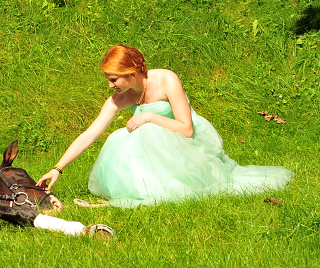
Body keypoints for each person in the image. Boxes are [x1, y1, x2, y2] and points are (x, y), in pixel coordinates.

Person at [37, 44, 293, 208]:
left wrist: (148, 117)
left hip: (187, 142)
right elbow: (90, 133)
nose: (110, 86)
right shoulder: (119, 98)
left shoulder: (166, 79)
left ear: (132, 73)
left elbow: (186, 128)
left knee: (145, 129)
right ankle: (145, 187)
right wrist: (58, 167)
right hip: (156, 148)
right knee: (121, 137)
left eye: (114, 79)